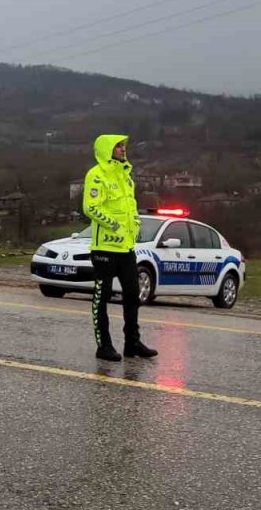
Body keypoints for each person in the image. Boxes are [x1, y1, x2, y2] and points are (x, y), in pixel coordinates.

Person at [81, 134, 157, 361]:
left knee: (133, 295)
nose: (123, 149)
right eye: (118, 146)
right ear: (107, 149)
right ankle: (104, 346)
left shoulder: (126, 176)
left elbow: (131, 208)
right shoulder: (96, 174)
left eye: (124, 146)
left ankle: (132, 343)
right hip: (105, 249)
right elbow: (90, 207)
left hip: (126, 249)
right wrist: (113, 225)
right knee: (102, 296)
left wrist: (135, 225)